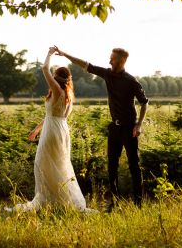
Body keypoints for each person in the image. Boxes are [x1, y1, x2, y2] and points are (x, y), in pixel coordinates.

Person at [54, 46, 148, 209]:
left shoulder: (131, 81)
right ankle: (114, 203)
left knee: (134, 165)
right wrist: (64, 54)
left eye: (112, 58)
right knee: (112, 166)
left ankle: (138, 203)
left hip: (129, 129)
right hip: (114, 129)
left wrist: (138, 125)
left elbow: (144, 103)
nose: (109, 60)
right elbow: (85, 65)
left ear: (121, 60)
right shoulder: (107, 74)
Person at [11, 46, 91, 212]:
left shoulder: (56, 90)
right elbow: (54, 116)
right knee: (59, 166)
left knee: (43, 165)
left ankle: (49, 201)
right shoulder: (69, 96)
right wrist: (36, 130)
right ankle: (59, 201)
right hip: (61, 130)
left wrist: (49, 53)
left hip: (52, 132)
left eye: (54, 76)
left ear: (56, 78)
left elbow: (44, 68)